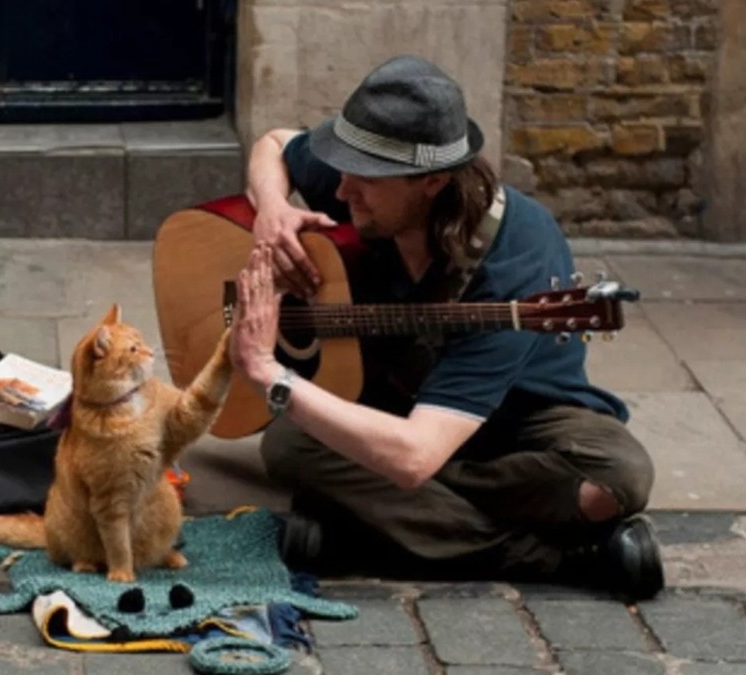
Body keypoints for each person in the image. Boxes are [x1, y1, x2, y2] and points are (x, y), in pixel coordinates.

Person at [226, 54, 664, 600]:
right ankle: (551, 558)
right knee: (292, 443)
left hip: (517, 417)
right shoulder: (367, 174)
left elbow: (414, 457)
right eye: (342, 168)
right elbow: (272, 144)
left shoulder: (514, 261)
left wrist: (270, 374)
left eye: (363, 179)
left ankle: (364, 526)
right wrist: (270, 209)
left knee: (615, 477)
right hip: (391, 398)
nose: (340, 192)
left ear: (432, 181)